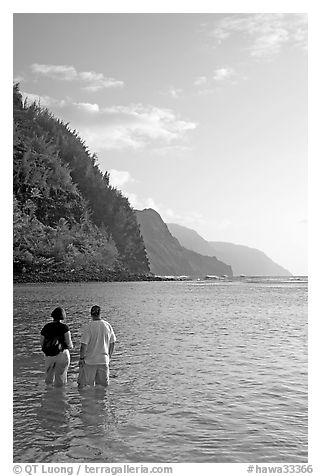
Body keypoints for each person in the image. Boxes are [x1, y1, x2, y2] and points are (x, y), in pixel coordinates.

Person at [78, 305, 116, 388]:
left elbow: (83, 345)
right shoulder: (108, 326)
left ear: (91, 314)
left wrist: (81, 359)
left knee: (87, 388)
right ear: (100, 313)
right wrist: (109, 356)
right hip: (103, 360)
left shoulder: (88, 327)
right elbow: (112, 343)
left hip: (90, 362)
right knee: (102, 388)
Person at [40, 307, 73, 387]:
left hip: (49, 354)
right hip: (62, 354)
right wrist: (71, 346)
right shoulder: (65, 328)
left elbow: (42, 343)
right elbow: (69, 344)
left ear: (53, 316)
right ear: (63, 316)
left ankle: (48, 395)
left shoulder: (46, 327)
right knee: (61, 378)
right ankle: (60, 396)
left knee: (49, 379)